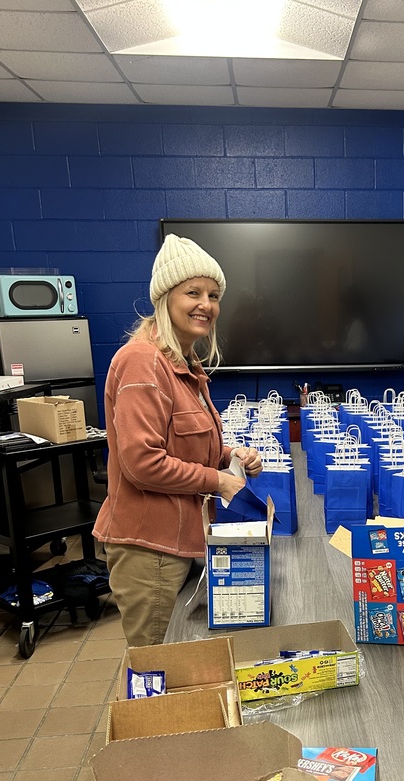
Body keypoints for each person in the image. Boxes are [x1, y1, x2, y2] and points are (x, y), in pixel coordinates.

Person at [93, 234, 262, 648]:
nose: (207, 304)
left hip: (182, 542)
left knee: (179, 660)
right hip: (151, 553)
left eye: (214, 294)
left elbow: (183, 444)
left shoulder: (184, 363)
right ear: (165, 297)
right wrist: (218, 480)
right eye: (193, 292)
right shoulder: (142, 361)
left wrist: (228, 456)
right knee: (156, 667)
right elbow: (142, 462)